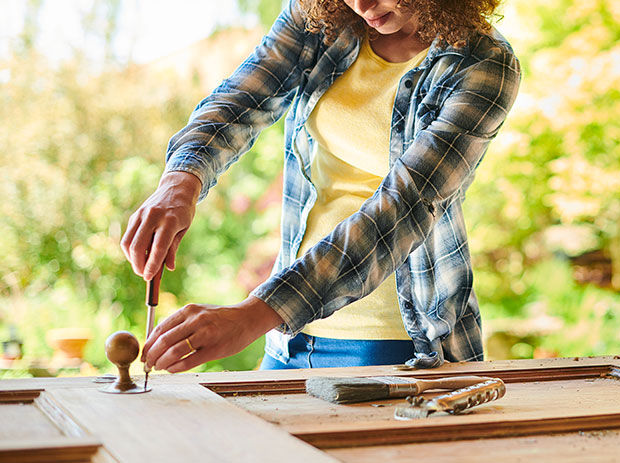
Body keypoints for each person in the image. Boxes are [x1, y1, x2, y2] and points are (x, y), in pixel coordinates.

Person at [120, 0, 520, 372]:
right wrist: (179, 183)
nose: (362, 5)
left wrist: (253, 314)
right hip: (286, 335)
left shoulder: (484, 63)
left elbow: (403, 207)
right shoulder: (322, 18)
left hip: (397, 343)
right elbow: (241, 100)